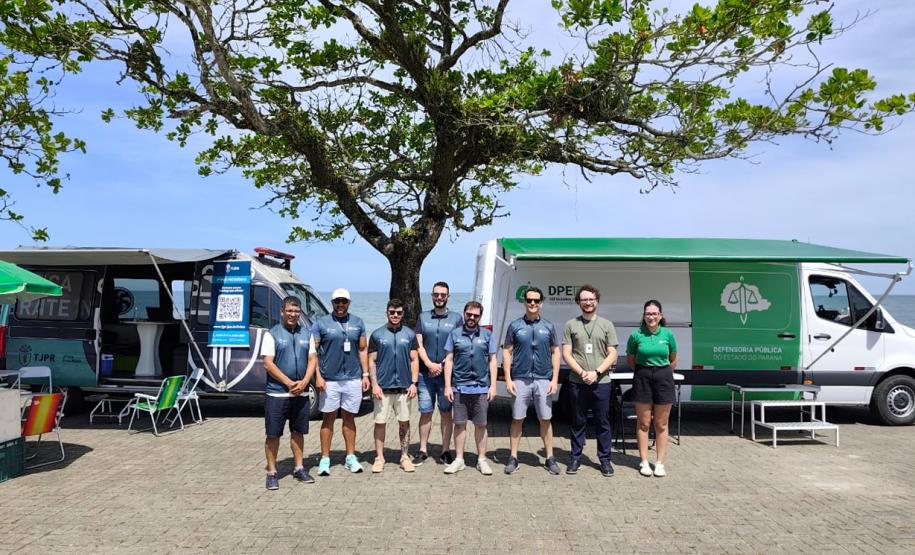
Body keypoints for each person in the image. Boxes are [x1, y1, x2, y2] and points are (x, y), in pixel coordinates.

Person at [502, 286, 561, 475]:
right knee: (517, 419)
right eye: (529, 300)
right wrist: (508, 379)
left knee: (545, 419)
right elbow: (506, 351)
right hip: (520, 379)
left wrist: (554, 379)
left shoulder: (549, 326)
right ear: (524, 302)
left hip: (544, 379)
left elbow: (556, 352)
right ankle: (513, 457)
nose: (533, 303)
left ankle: (550, 458)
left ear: (541, 302)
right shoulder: (515, 326)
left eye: (536, 300)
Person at [562, 284, 619, 477]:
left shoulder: (606, 324)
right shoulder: (571, 324)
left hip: (601, 382)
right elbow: (566, 353)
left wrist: (596, 372)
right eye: (584, 299)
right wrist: (581, 372)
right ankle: (575, 458)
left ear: (597, 301)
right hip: (577, 382)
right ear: (578, 302)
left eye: (591, 299)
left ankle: (605, 460)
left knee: (603, 422)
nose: (588, 302)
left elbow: (612, 353)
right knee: (578, 421)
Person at [261, 296, 317, 490]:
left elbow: (312, 360)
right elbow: (268, 363)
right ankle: (271, 472)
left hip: (300, 393)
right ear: (282, 312)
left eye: (296, 311)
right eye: (290, 311)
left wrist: (304, 382)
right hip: (277, 394)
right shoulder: (272, 334)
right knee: (273, 434)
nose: (293, 314)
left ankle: (299, 468)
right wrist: (288, 382)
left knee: (298, 432)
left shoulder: (307, 333)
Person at [312, 288, 369, 476]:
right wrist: (317, 376)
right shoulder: (321, 324)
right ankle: (325, 458)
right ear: (332, 303)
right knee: (328, 419)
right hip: (329, 380)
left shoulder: (358, 322)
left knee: (349, 418)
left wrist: (366, 375)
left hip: (352, 378)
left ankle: (350, 457)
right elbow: (314, 353)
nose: (340, 305)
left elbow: (362, 350)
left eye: (344, 302)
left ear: (349, 303)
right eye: (337, 302)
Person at [442, 301, 497, 475]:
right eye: (469, 314)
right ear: (464, 313)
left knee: (481, 425)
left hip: (481, 388)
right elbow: (449, 360)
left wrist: (493, 385)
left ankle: (482, 460)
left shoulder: (487, 335)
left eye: (475, 315)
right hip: (459, 387)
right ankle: (459, 459)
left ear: (480, 317)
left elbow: (493, 360)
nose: (472, 318)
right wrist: (447, 386)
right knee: (459, 424)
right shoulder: (454, 334)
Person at [626, 299, 678, 478]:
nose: (651, 317)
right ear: (644, 315)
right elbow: (631, 359)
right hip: (642, 376)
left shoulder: (668, 334)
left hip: (663, 377)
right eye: (648, 314)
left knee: (661, 424)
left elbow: (673, 358)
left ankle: (660, 463)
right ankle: (644, 462)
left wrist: (661, 373)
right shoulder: (636, 335)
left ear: (660, 315)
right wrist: (644, 372)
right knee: (644, 423)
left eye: (654, 313)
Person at [413, 281, 462, 465]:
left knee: (445, 413)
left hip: (446, 375)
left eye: (443, 295)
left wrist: (440, 365)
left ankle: (445, 450)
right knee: (425, 412)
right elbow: (418, 343)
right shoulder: (423, 317)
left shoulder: (457, 318)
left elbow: (457, 345)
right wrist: (428, 364)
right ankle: (423, 450)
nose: (439, 297)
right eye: (436, 294)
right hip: (425, 375)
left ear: (448, 297)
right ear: (432, 296)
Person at [368, 299, 420, 473]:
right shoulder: (377, 335)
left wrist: (414, 383)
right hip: (382, 388)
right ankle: (379, 457)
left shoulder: (410, 335)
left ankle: (405, 456)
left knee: (404, 422)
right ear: (387, 313)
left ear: (402, 314)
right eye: (392, 312)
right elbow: (372, 360)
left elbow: (414, 359)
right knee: (380, 423)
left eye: (398, 312)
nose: (395, 315)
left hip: (404, 388)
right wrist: (374, 384)